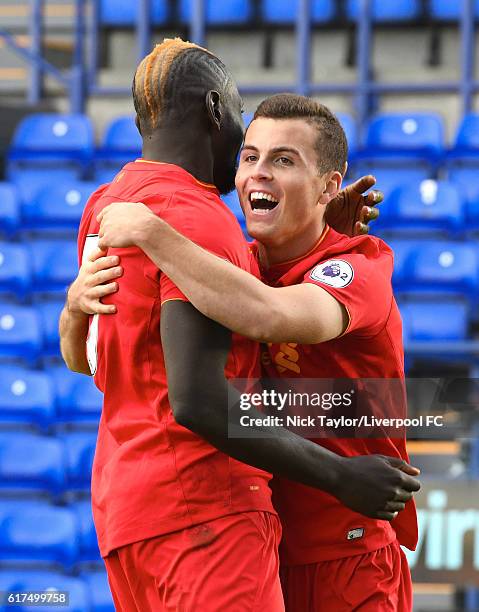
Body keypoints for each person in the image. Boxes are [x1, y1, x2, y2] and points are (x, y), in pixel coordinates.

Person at [59, 40, 420, 611]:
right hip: (242, 535)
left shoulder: (356, 265)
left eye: (284, 160)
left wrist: (152, 233)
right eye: (250, 154)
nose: (254, 172)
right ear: (214, 111)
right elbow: (109, 359)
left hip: (343, 548)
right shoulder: (224, 254)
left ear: (329, 185)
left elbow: (270, 314)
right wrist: (75, 307)